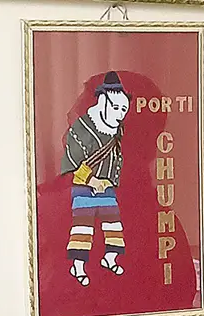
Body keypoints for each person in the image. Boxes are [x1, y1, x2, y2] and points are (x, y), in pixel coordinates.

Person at [60, 71, 130, 287]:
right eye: (116, 108)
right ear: (103, 101)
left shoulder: (115, 130)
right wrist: (91, 181)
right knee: (83, 228)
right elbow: (71, 160)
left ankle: (110, 258)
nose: (119, 114)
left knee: (113, 226)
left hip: (106, 188)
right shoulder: (81, 128)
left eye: (123, 110)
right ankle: (78, 266)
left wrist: (109, 182)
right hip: (84, 187)